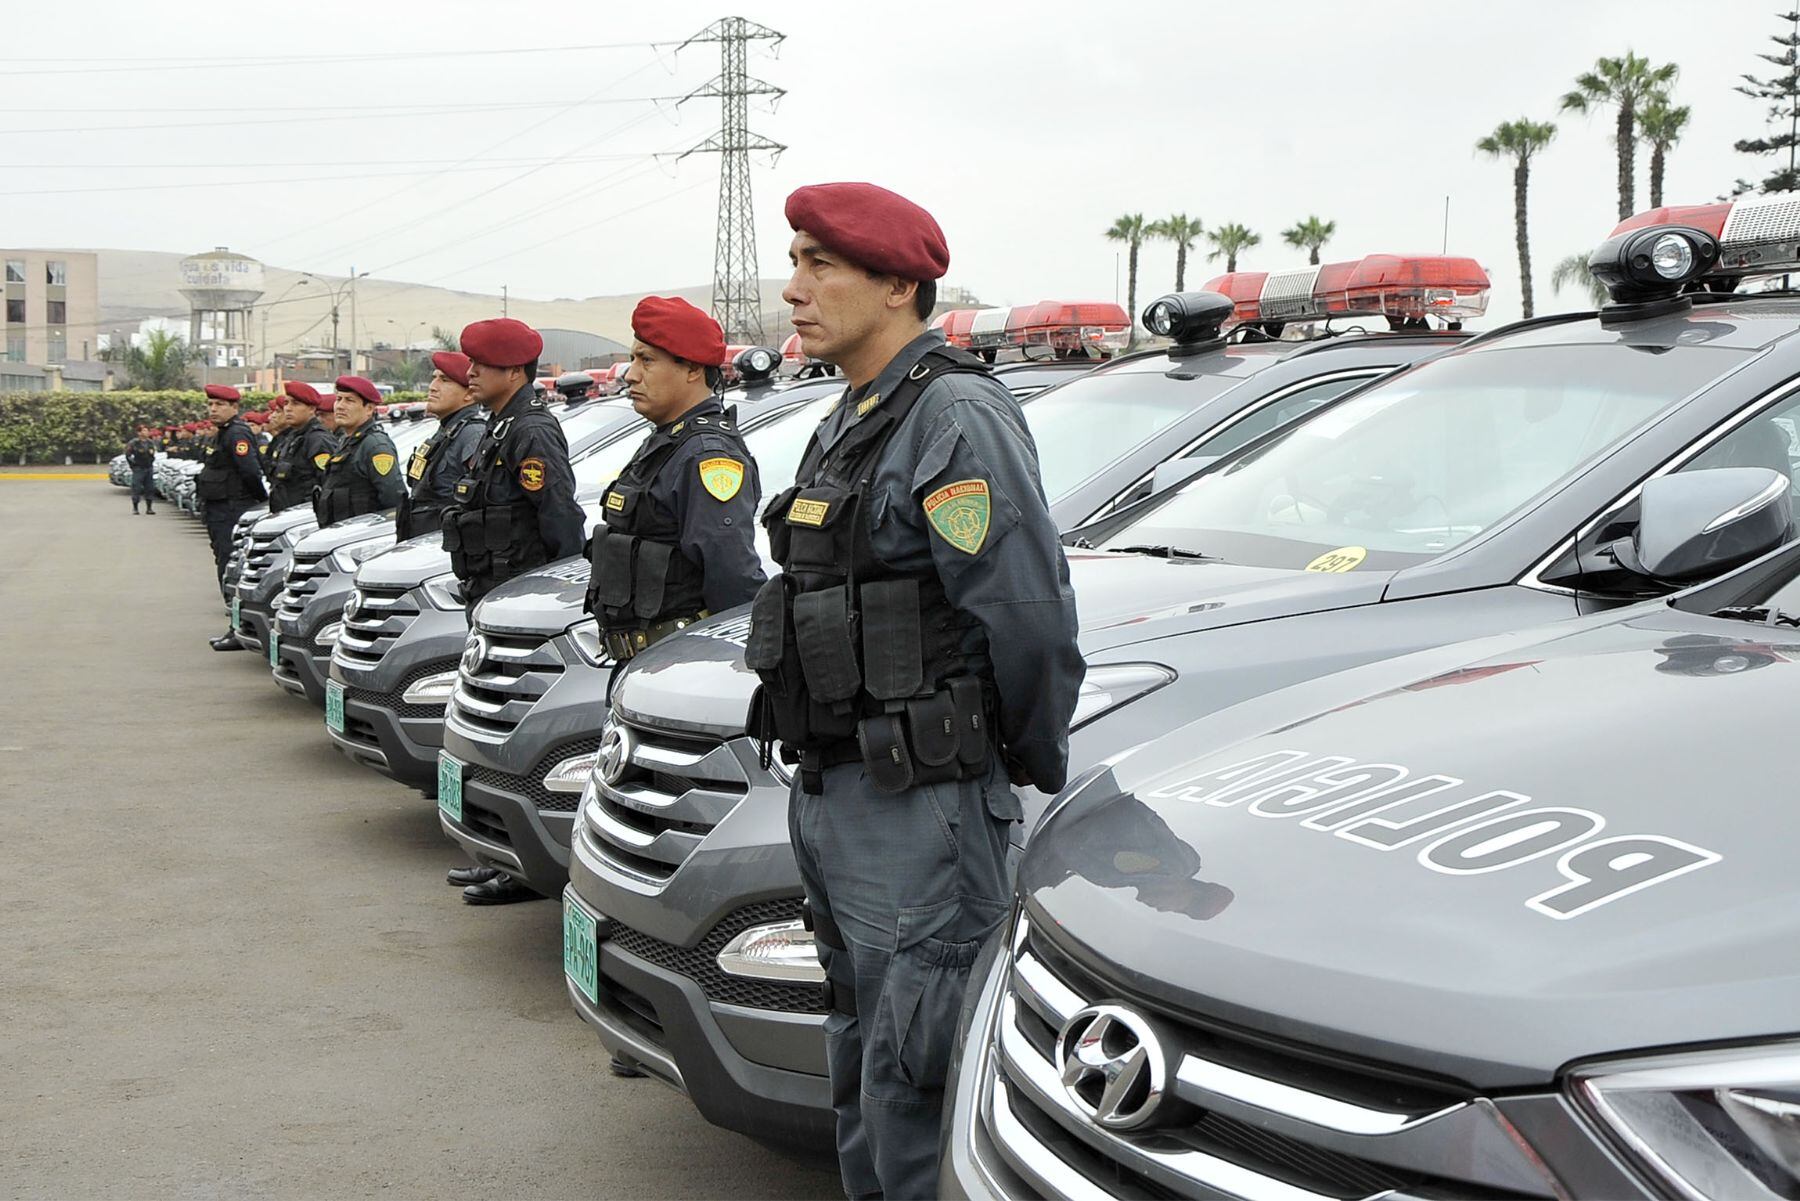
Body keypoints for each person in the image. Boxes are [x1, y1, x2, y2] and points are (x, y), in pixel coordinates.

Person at [745, 182, 1083, 1200]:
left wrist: (1016, 763)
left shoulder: (955, 416)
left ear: (897, 284)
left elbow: (1025, 612)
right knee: (861, 1057)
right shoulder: (853, 413)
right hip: (841, 794)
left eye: (819, 264)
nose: (793, 289)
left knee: (920, 1072)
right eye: (794, 262)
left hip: (921, 804)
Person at [440, 318, 585, 906]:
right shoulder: (497, 429)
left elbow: (561, 525)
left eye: (481, 364)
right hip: (494, 606)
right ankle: (499, 853)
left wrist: (554, 603)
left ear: (514, 371)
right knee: (486, 738)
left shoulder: (530, 433)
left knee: (510, 741)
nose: (469, 373)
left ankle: (517, 866)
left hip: (524, 613)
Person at [585, 296, 766, 660]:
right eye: (634, 358)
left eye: (647, 360)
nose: (631, 374)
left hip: (680, 662)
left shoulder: (707, 455)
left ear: (692, 370)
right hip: (643, 663)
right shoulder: (667, 441)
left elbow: (732, 578)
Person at [198, 385, 270, 651]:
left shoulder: (236, 433)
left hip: (232, 509)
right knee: (226, 567)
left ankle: (237, 629)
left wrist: (260, 500)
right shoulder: (223, 433)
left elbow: (250, 471)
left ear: (234, 407)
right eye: (211, 404)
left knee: (231, 569)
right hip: (220, 509)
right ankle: (237, 626)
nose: (213, 409)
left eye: (219, 404)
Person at [396, 351, 486, 543]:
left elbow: (477, 506)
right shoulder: (447, 431)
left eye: (444, 380)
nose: (432, 387)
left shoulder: (473, 434)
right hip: (425, 542)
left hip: (446, 547)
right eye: (434, 378)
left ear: (469, 394)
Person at [314, 376, 405, 526]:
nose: (340, 406)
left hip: (362, 540)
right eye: (339, 399)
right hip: (341, 537)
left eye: (349, 400)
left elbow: (394, 501)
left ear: (369, 409)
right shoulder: (346, 441)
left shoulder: (375, 445)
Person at [268, 382, 338, 514]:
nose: (288, 408)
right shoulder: (291, 438)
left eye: (295, 404)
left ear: (312, 409)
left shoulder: (318, 440)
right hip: (286, 515)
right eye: (286, 403)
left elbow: (327, 483)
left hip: (305, 518)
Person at [124, 422, 158, 514]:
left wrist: (151, 462)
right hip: (138, 468)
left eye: (147, 430)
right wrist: (133, 466)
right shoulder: (134, 443)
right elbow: (128, 455)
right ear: (139, 433)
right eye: (144, 431)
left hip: (148, 468)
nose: (146, 432)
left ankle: (149, 508)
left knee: (150, 488)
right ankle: (135, 508)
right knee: (137, 488)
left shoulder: (150, 442)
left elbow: (153, 454)